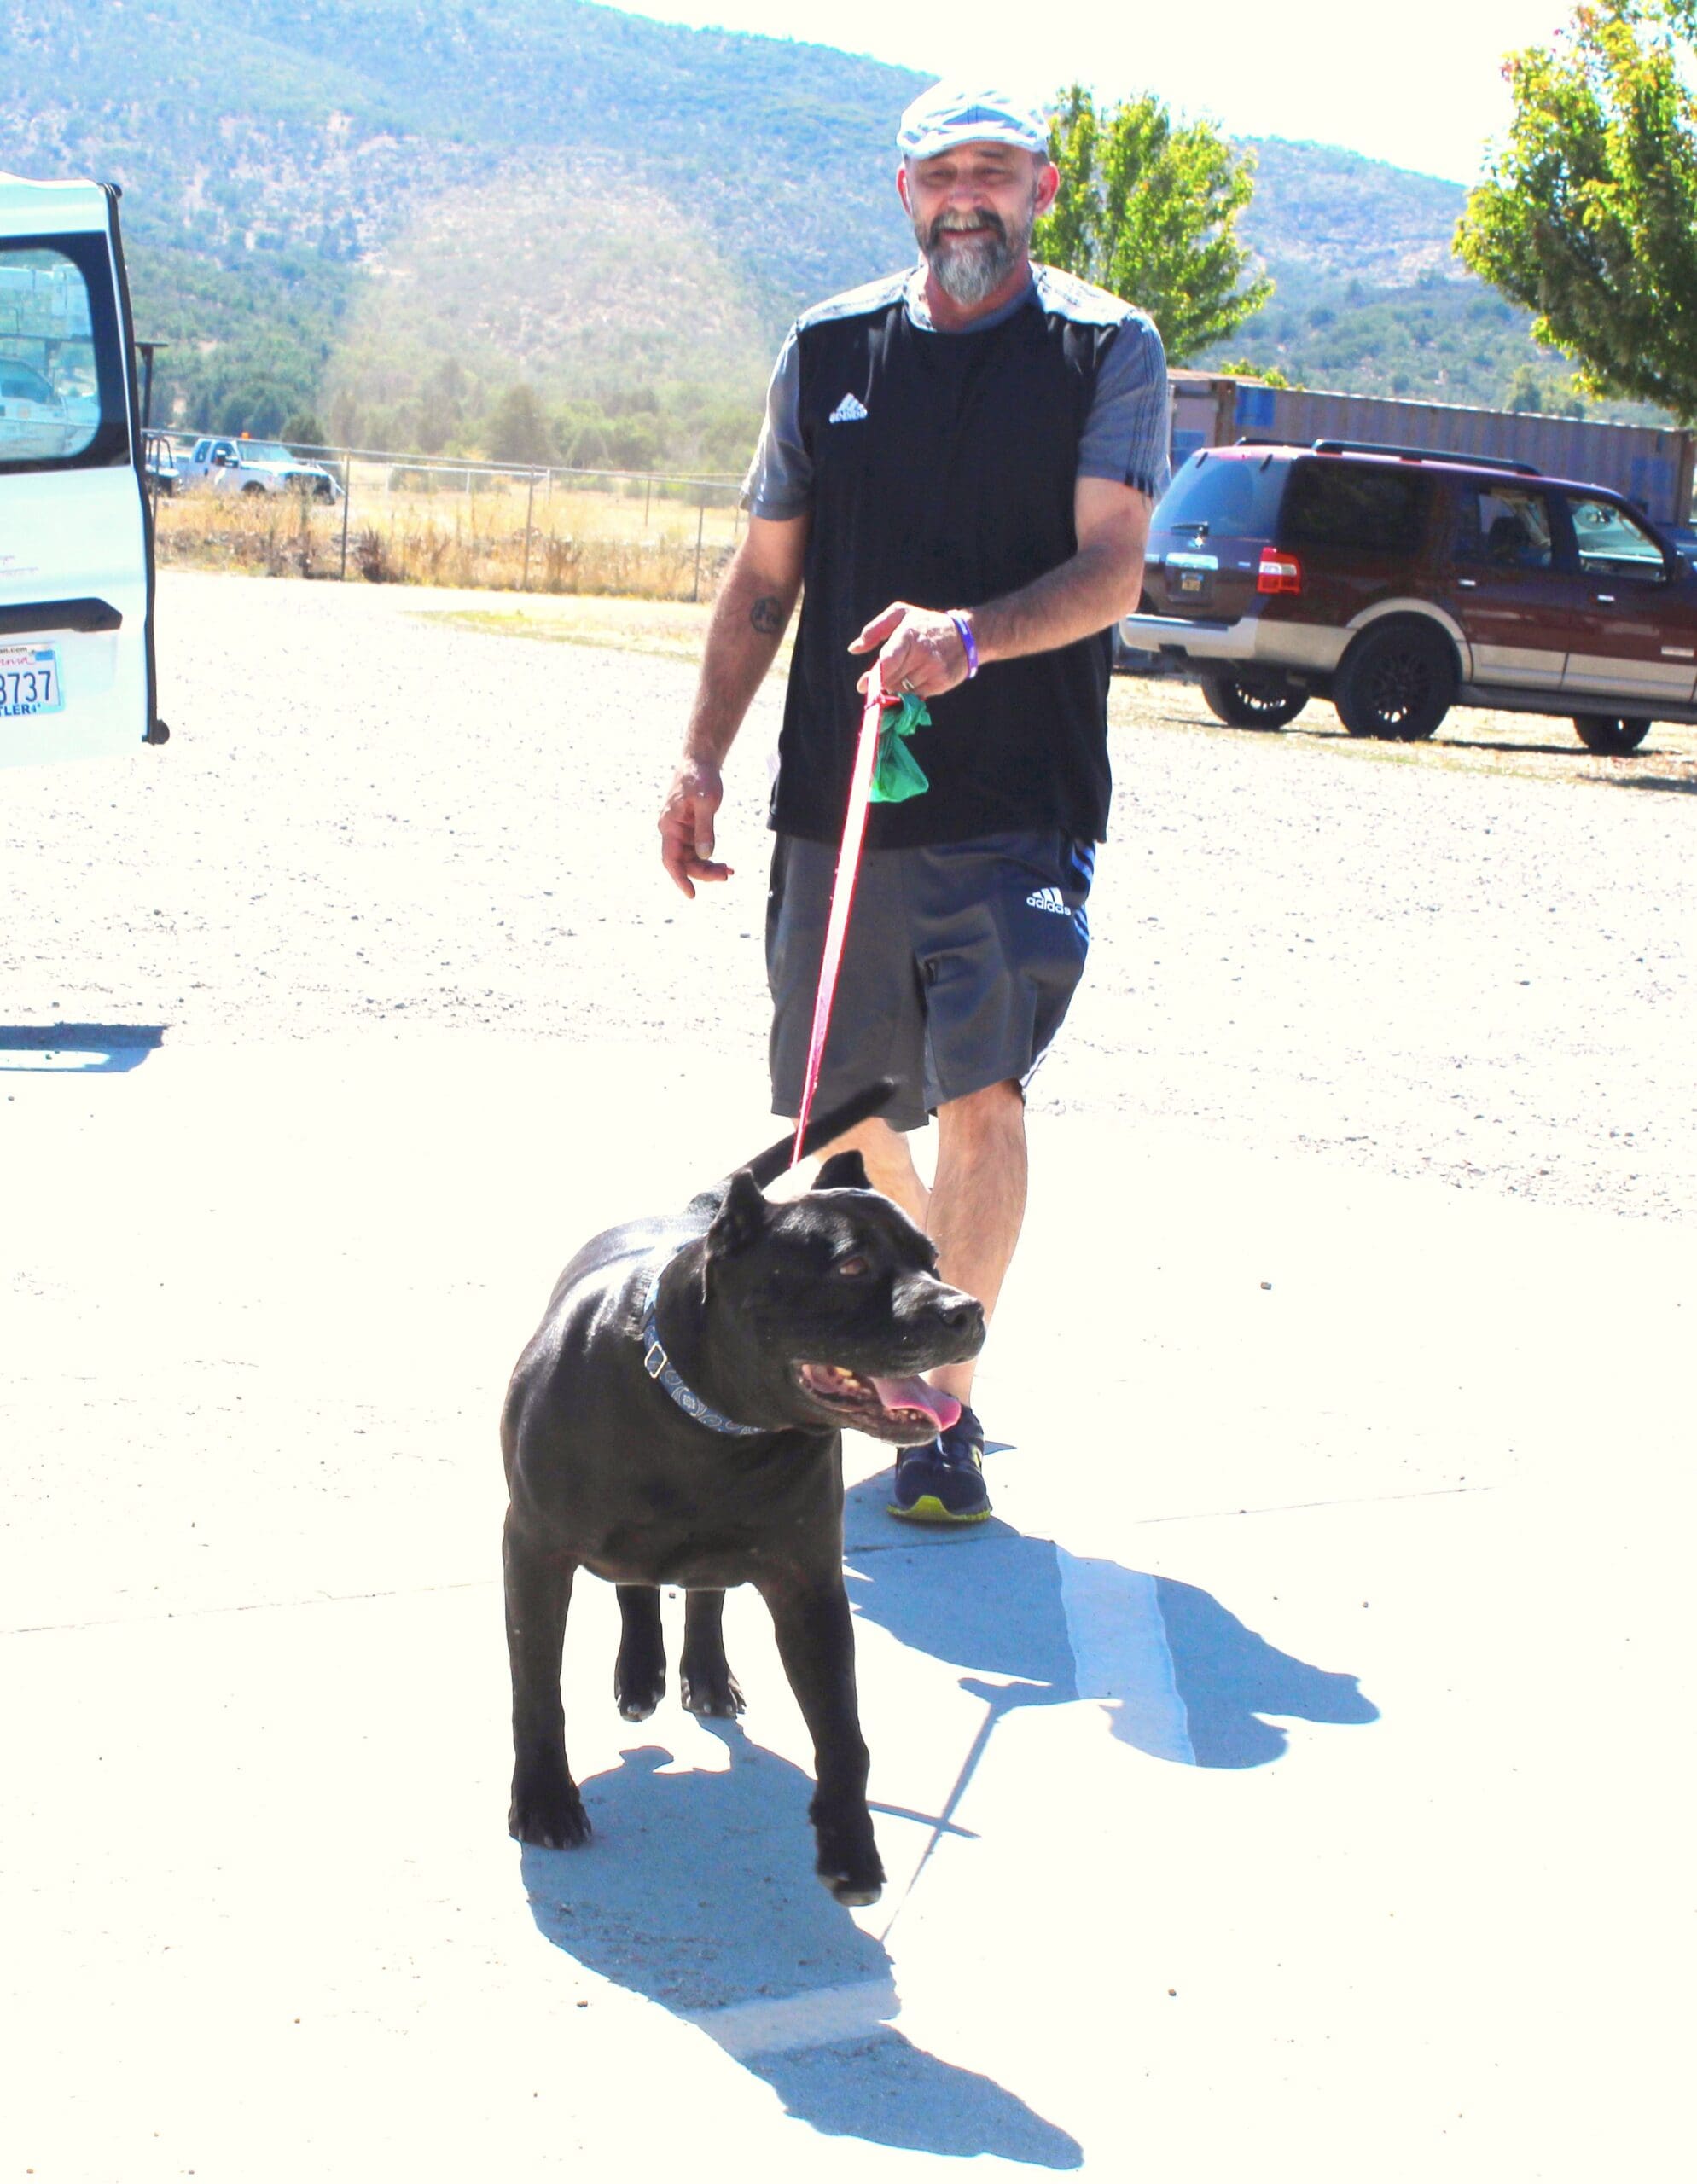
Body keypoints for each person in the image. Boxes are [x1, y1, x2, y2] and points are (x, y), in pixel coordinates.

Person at [658, 80, 1170, 1523]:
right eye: (941, 174)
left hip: (1016, 797)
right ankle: (903, 1350)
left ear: (1041, 190)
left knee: (982, 1095)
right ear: (903, 193)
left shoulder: (1104, 348)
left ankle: (942, 1410)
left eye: (993, 172)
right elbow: (765, 578)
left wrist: (970, 638)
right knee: (847, 1115)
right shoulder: (826, 348)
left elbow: (1113, 567)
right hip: (838, 799)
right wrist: (700, 755)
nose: (966, 198)